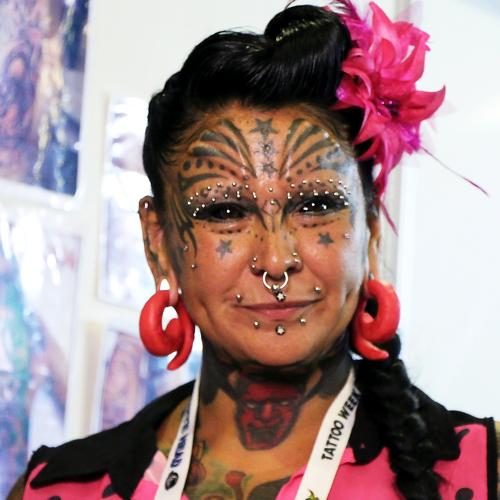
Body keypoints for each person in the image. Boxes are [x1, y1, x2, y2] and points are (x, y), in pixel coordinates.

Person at [9, 2, 499, 499]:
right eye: (225, 212)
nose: (276, 260)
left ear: (370, 229)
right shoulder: (56, 490)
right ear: (159, 244)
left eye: (316, 205)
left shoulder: (484, 472)